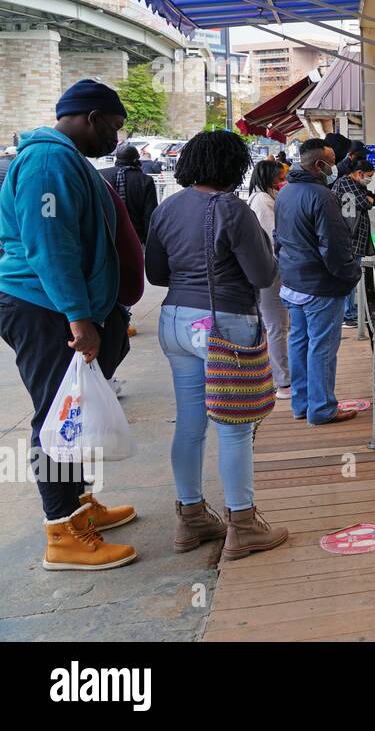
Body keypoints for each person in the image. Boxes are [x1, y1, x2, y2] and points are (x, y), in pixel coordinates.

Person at [0, 79, 138, 571]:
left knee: (72, 411)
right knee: (56, 417)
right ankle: (61, 531)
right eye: (115, 128)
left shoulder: (66, 159)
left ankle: (79, 506)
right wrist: (80, 318)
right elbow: (49, 244)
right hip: (44, 309)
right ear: (92, 117)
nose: (116, 140)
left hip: (61, 307)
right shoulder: (48, 162)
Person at [146, 130, 287, 560]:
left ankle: (191, 518)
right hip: (223, 325)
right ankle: (242, 525)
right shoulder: (232, 210)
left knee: (190, 424)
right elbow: (263, 276)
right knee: (235, 428)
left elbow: (156, 274)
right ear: (234, 167)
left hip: (174, 322)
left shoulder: (166, 208)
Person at [276, 138, 362, 425]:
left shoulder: (286, 192)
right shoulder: (321, 195)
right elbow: (334, 247)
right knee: (322, 347)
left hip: (293, 282)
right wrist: (351, 274)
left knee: (299, 343)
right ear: (318, 165)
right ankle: (322, 408)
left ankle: (302, 404)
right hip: (319, 286)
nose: (335, 166)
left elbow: (280, 238)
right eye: (331, 160)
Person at [247, 159, 291, 399]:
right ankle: (282, 381)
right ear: (270, 178)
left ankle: (278, 375)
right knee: (277, 326)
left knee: (276, 325)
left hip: (268, 270)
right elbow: (273, 238)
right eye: (279, 177)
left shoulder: (261, 198)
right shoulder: (263, 202)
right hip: (270, 271)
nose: (282, 181)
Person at [333, 159, 375, 328]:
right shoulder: (346, 183)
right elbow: (365, 203)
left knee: (352, 278)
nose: (369, 179)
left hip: (356, 239)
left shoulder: (358, 186)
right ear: (359, 173)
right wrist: (367, 198)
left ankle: (350, 310)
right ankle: (347, 315)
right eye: (369, 176)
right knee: (349, 278)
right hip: (350, 239)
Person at [99, 144, 159, 247]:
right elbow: (149, 214)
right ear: (136, 159)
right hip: (135, 238)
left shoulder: (101, 175)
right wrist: (148, 241)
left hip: (105, 235)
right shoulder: (145, 180)